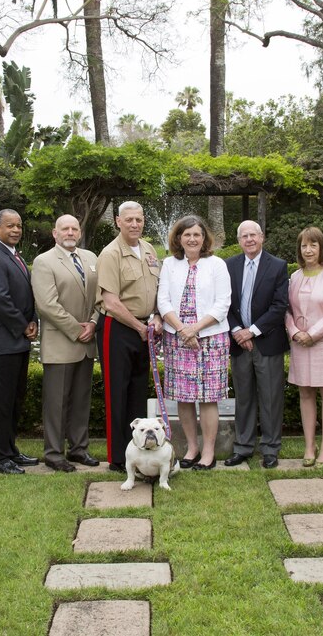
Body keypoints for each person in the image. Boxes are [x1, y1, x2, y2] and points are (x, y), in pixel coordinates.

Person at [157, 215, 231, 470]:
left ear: (204, 238)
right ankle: (191, 448)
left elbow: (223, 303)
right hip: (177, 338)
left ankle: (208, 452)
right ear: (178, 238)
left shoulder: (217, 264)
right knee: (184, 397)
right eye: (186, 234)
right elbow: (163, 301)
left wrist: (195, 329)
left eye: (196, 234)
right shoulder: (169, 264)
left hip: (210, 337)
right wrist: (181, 330)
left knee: (208, 397)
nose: (191, 239)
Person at [31, 214, 100, 472]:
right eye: (65, 229)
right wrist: (76, 329)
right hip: (61, 341)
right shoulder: (44, 261)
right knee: (57, 402)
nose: (70, 232)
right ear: (55, 233)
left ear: (79, 233)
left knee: (81, 400)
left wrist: (93, 323)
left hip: (87, 342)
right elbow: (47, 305)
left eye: (74, 228)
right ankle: (53, 453)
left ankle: (79, 449)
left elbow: (100, 296)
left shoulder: (91, 258)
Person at [96, 201, 162, 473]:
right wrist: (139, 327)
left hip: (144, 328)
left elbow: (157, 289)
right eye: (129, 220)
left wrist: (156, 317)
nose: (135, 224)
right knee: (117, 393)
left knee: (137, 392)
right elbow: (110, 302)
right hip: (119, 329)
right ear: (117, 221)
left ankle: (138, 452)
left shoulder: (148, 249)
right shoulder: (110, 254)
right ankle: (117, 458)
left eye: (139, 219)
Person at [224, 220, 290, 470]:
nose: (249, 239)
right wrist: (237, 331)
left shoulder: (278, 266)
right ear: (238, 240)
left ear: (262, 237)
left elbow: (279, 305)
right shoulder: (229, 266)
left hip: (266, 342)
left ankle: (271, 448)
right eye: (244, 236)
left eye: (253, 235)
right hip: (239, 343)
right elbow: (224, 303)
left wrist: (251, 332)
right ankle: (243, 447)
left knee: (271, 398)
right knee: (244, 397)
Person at [0, 209, 39, 474]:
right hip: (0, 343)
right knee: (1, 403)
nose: (16, 230)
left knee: (14, 400)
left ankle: (10, 450)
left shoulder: (13, 255)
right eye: (10, 226)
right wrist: (23, 325)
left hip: (16, 341)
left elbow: (26, 294)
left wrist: (33, 318)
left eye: (19, 225)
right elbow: (0, 299)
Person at [285, 227, 323, 469]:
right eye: (303, 245)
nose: (308, 250)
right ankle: (309, 446)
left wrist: (313, 334)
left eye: (313, 245)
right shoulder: (294, 277)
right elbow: (287, 309)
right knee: (305, 393)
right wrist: (295, 332)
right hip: (300, 342)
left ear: (322, 247)